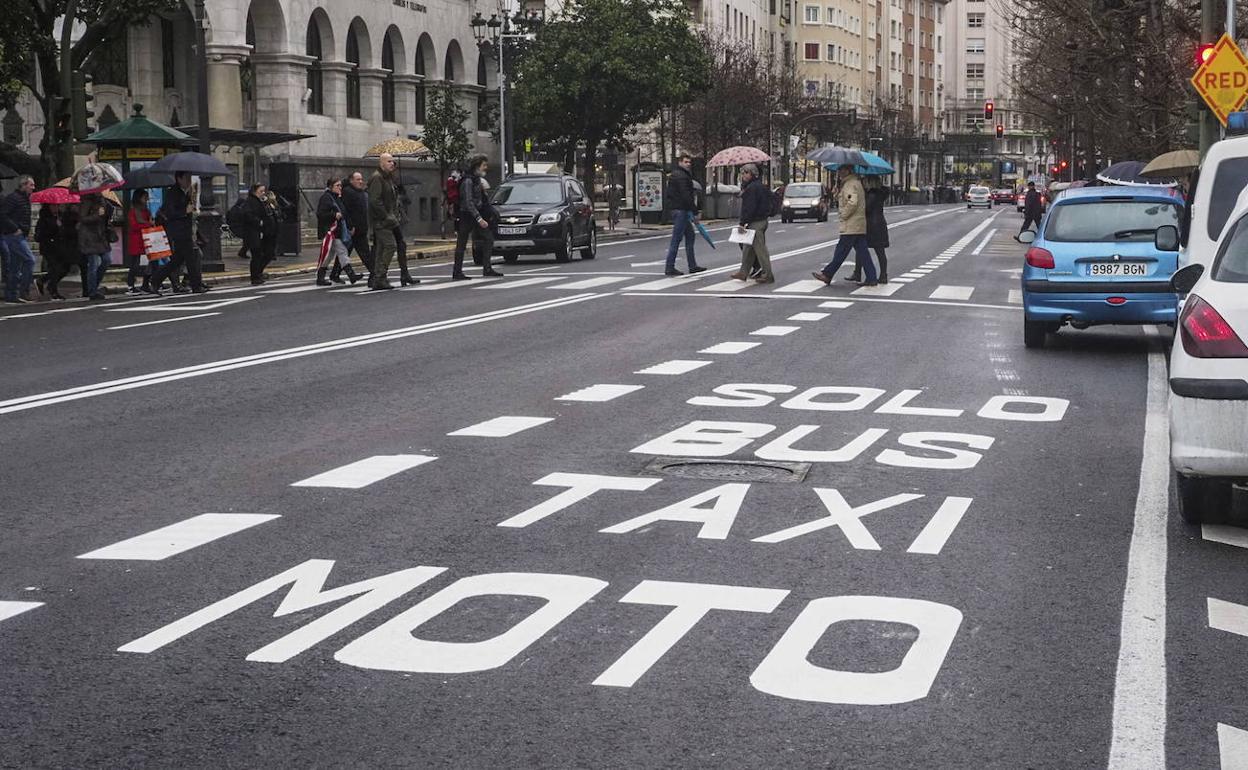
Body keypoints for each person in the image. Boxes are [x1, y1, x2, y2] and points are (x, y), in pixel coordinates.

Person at [811, 166, 877, 287]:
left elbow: (852, 202)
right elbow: (847, 199)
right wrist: (837, 194)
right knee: (863, 253)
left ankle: (827, 274)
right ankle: (872, 277)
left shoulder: (850, 184)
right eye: (839, 170)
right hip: (857, 224)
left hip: (851, 224)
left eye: (842, 170)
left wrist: (843, 215)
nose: (839, 172)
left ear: (848, 171)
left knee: (841, 251)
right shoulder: (852, 183)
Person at [150, 171, 207, 295]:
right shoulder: (173, 193)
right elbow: (170, 213)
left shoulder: (185, 192)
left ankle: (155, 279)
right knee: (192, 258)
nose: (189, 181)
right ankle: (196, 285)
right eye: (187, 178)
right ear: (179, 179)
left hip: (185, 231)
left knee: (177, 261)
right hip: (179, 232)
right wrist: (184, 211)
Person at [453, 154, 502, 280]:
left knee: (488, 239)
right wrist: (479, 219)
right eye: (483, 165)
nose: (486, 168)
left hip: (476, 214)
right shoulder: (468, 181)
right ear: (477, 166)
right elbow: (468, 202)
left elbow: (482, 200)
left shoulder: (477, 180)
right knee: (462, 244)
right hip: (467, 215)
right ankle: (457, 272)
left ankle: (487, 268)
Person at [729, 164, 773, 284]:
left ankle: (768, 274)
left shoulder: (752, 188)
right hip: (760, 219)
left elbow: (749, 207)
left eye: (745, 173)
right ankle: (743, 272)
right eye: (742, 173)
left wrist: (743, 223)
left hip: (756, 221)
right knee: (748, 249)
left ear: (752, 174)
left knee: (760, 250)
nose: (743, 175)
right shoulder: (760, 186)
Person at [662, 154, 705, 276]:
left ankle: (692, 265)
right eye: (686, 162)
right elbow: (686, 195)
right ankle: (670, 267)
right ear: (680, 162)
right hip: (681, 210)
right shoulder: (681, 176)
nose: (688, 164)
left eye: (689, 162)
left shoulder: (679, 174)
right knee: (676, 239)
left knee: (690, 235)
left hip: (679, 209)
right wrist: (695, 211)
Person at [314, 178, 362, 286]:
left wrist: (350, 226)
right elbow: (320, 214)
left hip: (337, 230)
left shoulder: (336, 198)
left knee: (329, 255)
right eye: (337, 186)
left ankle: (320, 277)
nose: (340, 188)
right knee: (342, 251)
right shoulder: (326, 198)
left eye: (340, 186)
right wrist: (333, 215)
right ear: (331, 186)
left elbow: (344, 213)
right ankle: (351, 275)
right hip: (330, 231)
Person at [367, 153, 402, 290]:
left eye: (393, 161)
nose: (392, 164)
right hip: (381, 221)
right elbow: (374, 201)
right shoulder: (378, 178)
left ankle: (378, 278)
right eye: (389, 161)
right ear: (381, 163)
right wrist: (386, 216)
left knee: (381, 249)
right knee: (390, 246)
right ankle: (380, 275)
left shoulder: (387, 178)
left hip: (387, 219)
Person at [1, 176, 36, 303]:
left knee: (15, 265)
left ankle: (11, 293)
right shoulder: (14, 198)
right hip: (13, 235)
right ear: (24, 185)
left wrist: (26, 231)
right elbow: (3, 215)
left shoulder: (24, 199)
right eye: (31, 185)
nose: (33, 188)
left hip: (19, 234)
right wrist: (15, 228)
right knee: (29, 260)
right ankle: (23, 290)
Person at [849, 177, 890, 284]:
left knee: (861, 249)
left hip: (871, 225)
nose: (863, 184)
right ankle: (883, 275)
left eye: (865, 182)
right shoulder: (880, 193)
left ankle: (859, 274)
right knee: (879, 252)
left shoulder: (871, 195)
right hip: (879, 224)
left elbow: (865, 208)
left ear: (870, 182)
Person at [77, 191, 112, 301]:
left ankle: (93, 286)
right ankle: (92, 291)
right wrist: (97, 215)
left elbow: (104, 218)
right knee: (93, 263)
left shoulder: (102, 200)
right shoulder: (86, 201)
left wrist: (107, 212)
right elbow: (83, 218)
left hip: (100, 236)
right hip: (89, 236)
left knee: (106, 260)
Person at [342, 171, 374, 286]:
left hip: (361, 227)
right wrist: (350, 226)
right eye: (358, 179)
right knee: (364, 252)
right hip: (354, 229)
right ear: (351, 180)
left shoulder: (360, 192)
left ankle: (335, 274)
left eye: (361, 179)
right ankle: (374, 273)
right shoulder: (348, 192)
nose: (361, 181)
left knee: (344, 252)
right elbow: (346, 211)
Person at [126, 189, 155, 294]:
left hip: (145, 239)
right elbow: (134, 226)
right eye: (144, 197)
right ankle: (130, 285)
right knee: (135, 264)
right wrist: (148, 224)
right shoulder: (133, 211)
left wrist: (151, 221)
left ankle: (146, 283)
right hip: (136, 240)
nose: (146, 199)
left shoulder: (146, 210)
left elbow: (149, 221)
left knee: (150, 262)